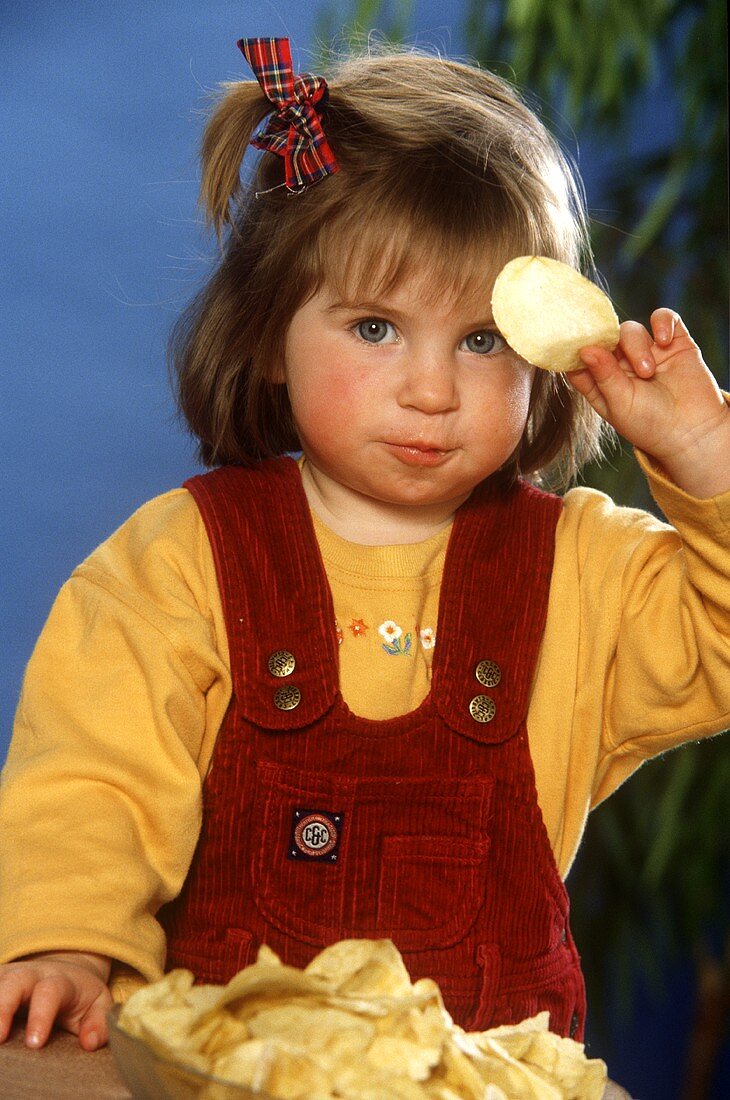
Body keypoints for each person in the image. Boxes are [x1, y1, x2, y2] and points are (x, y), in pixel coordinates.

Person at [0, 36, 727, 1056]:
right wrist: (65, 942)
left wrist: (707, 460)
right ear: (265, 330)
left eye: (480, 341)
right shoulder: (176, 562)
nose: (431, 389)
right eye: (375, 328)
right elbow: (91, 787)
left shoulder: (585, 573)